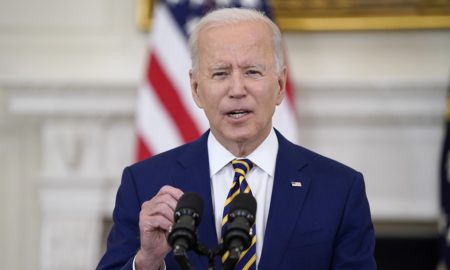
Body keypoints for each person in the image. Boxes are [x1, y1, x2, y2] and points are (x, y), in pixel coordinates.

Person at [97, 7, 376, 270]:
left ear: (279, 85)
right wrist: (146, 261)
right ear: (195, 89)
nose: (237, 89)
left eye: (252, 72)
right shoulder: (145, 184)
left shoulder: (339, 190)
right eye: (220, 73)